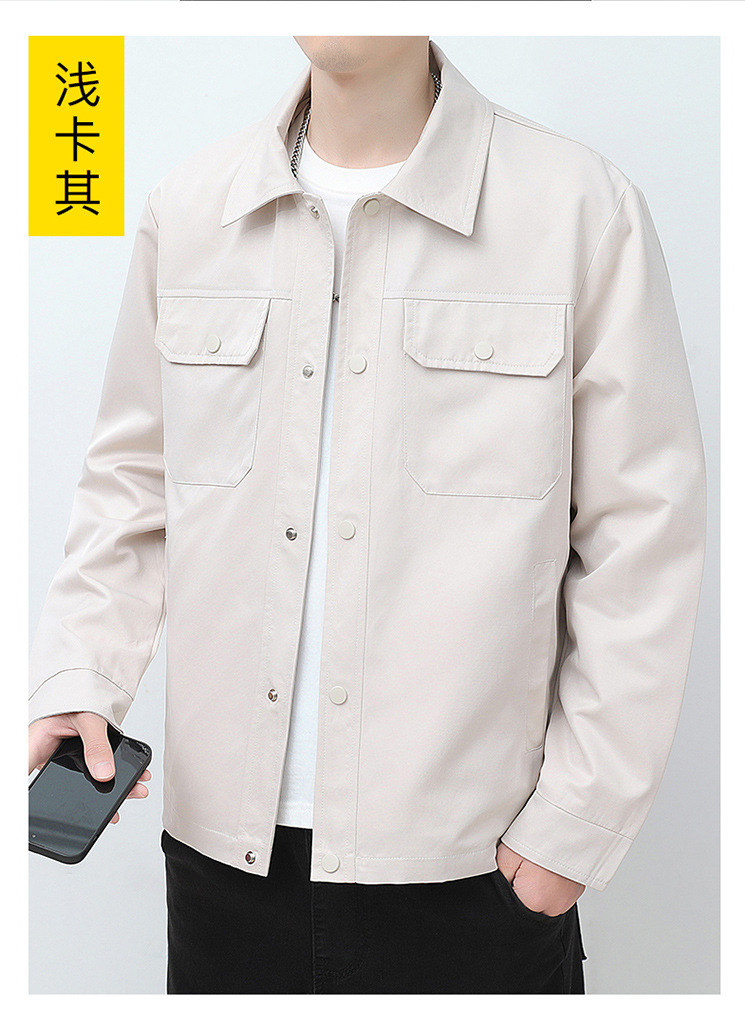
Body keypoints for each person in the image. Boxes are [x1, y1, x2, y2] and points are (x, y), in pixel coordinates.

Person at [28, 36, 707, 994]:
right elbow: (130, 483)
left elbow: (643, 536)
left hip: (474, 878)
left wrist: (572, 830)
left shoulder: (580, 212)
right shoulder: (190, 209)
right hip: (222, 869)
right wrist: (82, 673)